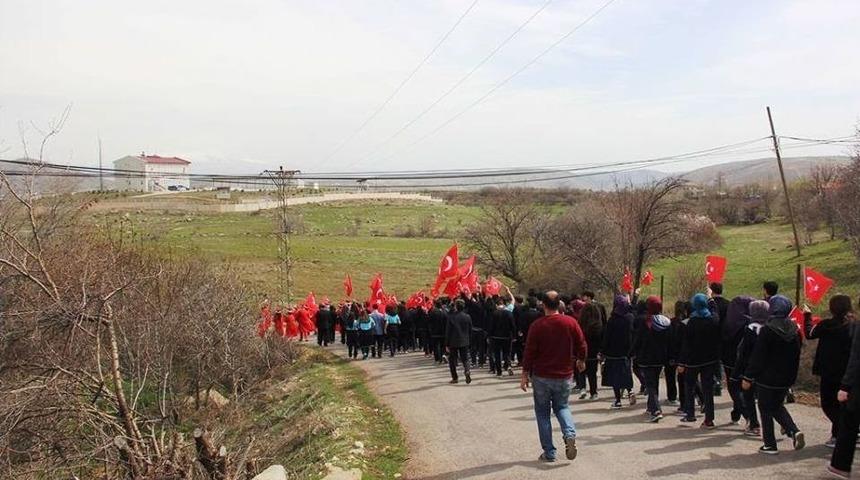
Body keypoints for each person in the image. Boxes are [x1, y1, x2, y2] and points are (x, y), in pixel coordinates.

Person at [520, 290, 587, 463]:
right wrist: (581, 359)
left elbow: (529, 352)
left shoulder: (537, 325)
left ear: (543, 305)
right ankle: (569, 433)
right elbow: (582, 343)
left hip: (542, 376)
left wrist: (525, 373)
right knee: (562, 407)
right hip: (564, 374)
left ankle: (549, 452)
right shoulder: (570, 322)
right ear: (559, 304)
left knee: (543, 413)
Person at [741, 294, 805, 455]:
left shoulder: (768, 330)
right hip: (787, 377)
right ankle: (793, 431)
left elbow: (758, 356)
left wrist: (748, 376)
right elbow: (797, 354)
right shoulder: (795, 330)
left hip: (767, 376)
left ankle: (770, 444)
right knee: (776, 405)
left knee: (764, 408)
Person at [804, 295, 854, 448]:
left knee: (828, 404)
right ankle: (837, 434)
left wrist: (807, 316)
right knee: (844, 404)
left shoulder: (826, 325)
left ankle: (847, 431)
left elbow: (809, 333)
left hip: (829, 371)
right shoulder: (853, 325)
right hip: (849, 371)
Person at [677, 293, 720, 428]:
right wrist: (711, 299)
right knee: (708, 389)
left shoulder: (691, 322)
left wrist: (681, 362)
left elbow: (686, 345)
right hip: (710, 359)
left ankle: (690, 414)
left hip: (693, 361)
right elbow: (715, 312)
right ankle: (709, 419)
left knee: (689, 387)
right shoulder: (713, 320)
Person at [829, 295, 860, 479]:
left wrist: (845, 386)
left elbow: (856, 359)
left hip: (856, 385)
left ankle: (840, 465)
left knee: (848, 424)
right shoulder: (853, 325)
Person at [632, 296, 671, 423]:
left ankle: (656, 410)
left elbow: (638, 340)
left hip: (646, 357)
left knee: (650, 385)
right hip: (661, 358)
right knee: (654, 382)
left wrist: (631, 353)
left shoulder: (646, 322)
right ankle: (650, 406)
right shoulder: (666, 321)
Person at [732, 299, 768, 437]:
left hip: (749, 369)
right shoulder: (770, 327)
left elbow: (743, 352)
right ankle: (783, 425)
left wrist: (737, 372)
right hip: (766, 370)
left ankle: (754, 424)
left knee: (748, 397)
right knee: (767, 400)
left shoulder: (750, 329)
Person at [722, 295, 755, 424]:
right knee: (743, 389)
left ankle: (748, 416)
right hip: (748, 362)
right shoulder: (753, 323)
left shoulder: (729, 321)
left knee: (734, 388)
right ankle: (736, 413)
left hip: (730, 361)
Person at [602, 294, 635, 409]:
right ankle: (630, 391)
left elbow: (607, 337)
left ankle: (618, 400)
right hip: (627, 351)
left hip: (613, 352)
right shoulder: (630, 318)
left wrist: (603, 351)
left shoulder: (612, 320)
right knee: (626, 372)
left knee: (615, 376)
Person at [578, 298, 605, 400]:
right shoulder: (598, 326)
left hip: (582, 351)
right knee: (592, 373)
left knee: (581, 370)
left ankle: (582, 388)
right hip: (594, 352)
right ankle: (594, 392)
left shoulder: (580, 325)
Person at [709, 283, 730, 397]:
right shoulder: (729, 304)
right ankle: (724, 381)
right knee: (724, 360)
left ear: (711, 291)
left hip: (712, 336)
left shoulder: (710, 304)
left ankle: (716, 381)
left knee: (714, 361)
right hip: (725, 336)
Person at [445, 299, 473, 384]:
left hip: (453, 341)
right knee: (465, 359)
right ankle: (467, 370)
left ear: (456, 306)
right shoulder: (467, 317)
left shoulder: (451, 317)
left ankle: (455, 377)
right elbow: (470, 330)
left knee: (452, 360)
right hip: (464, 340)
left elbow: (448, 331)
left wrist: (446, 344)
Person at [489, 297, 517, 376]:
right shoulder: (509, 313)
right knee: (507, 353)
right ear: (504, 304)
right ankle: (508, 366)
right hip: (507, 337)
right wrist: (514, 336)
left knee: (497, 354)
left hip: (496, 337)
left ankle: (499, 371)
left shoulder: (494, 313)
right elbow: (513, 326)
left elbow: (491, 326)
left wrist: (489, 336)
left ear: (497, 305)